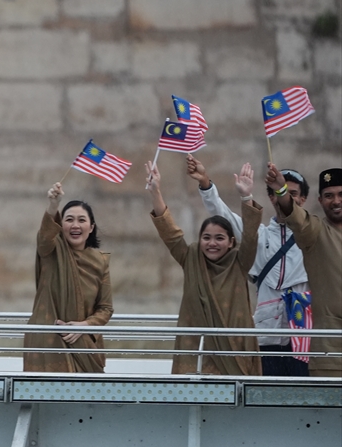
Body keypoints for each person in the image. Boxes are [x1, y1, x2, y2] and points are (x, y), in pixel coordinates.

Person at [189, 157, 310, 377]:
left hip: (303, 339)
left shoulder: (313, 237)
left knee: (303, 395)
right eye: (279, 192)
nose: (286, 198)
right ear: (271, 197)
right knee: (264, 395)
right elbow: (223, 216)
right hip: (266, 338)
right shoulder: (260, 235)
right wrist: (206, 183)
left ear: (303, 199)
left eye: (292, 193)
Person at [145, 161, 260, 375]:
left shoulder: (240, 261)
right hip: (195, 354)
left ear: (231, 242)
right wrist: (156, 192)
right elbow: (169, 233)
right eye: (206, 237)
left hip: (234, 355)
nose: (212, 243)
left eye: (219, 238)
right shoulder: (191, 258)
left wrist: (246, 196)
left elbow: (251, 237)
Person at [23, 183, 113, 373]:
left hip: (84, 344)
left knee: (85, 393)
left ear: (91, 227)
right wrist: (53, 205)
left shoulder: (100, 262)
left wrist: (83, 326)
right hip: (48, 342)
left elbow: (105, 309)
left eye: (82, 220)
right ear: (60, 225)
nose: (75, 225)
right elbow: (45, 237)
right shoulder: (50, 252)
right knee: (47, 392)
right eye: (69, 219)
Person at [265, 163, 341, 378]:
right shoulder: (316, 231)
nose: (336, 201)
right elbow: (297, 218)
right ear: (320, 201)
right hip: (332, 353)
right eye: (329, 196)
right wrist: (281, 190)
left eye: (341, 194)